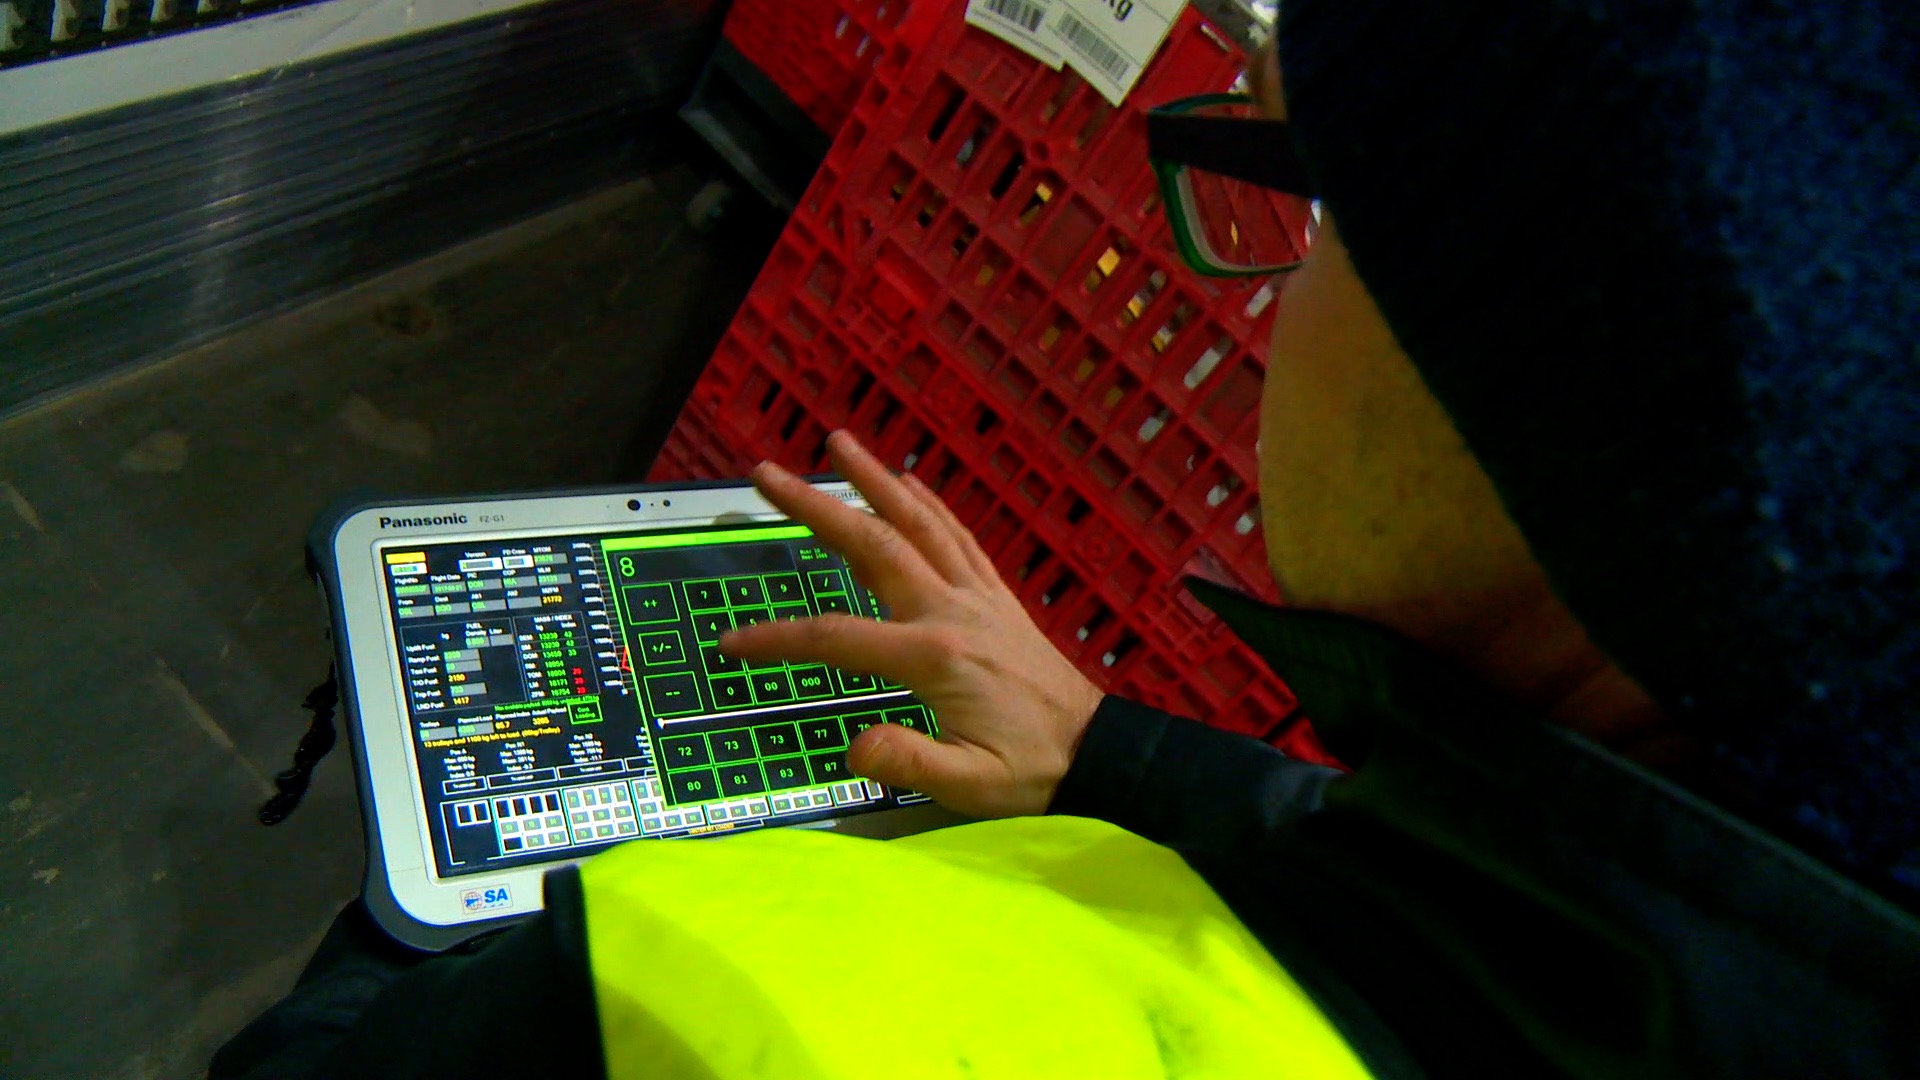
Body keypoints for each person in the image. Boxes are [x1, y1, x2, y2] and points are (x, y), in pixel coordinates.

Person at [212, 2, 1919, 1076]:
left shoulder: (763, 1002)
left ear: (1572, 400)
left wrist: (449, 904)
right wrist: (1120, 759)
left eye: (1324, 201)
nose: (1279, 293)